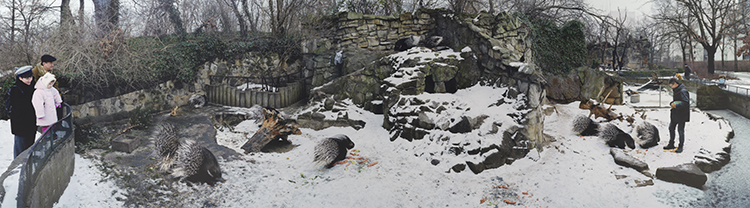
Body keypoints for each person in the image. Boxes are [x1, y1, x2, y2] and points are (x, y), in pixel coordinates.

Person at [7, 66, 37, 158]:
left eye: (31, 77)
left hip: (31, 122)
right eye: (27, 78)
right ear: (20, 78)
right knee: (20, 148)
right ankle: (18, 167)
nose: (30, 80)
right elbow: (15, 109)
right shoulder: (15, 90)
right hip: (20, 125)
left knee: (30, 146)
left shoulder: (34, 86)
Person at [664, 78, 690, 153]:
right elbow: (677, 100)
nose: (671, 87)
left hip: (682, 114)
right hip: (675, 113)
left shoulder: (682, 91)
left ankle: (680, 146)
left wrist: (676, 106)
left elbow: (686, 102)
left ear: (675, 83)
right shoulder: (677, 89)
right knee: (671, 128)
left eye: (671, 85)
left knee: (680, 130)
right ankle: (671, 144)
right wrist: (672, 103)